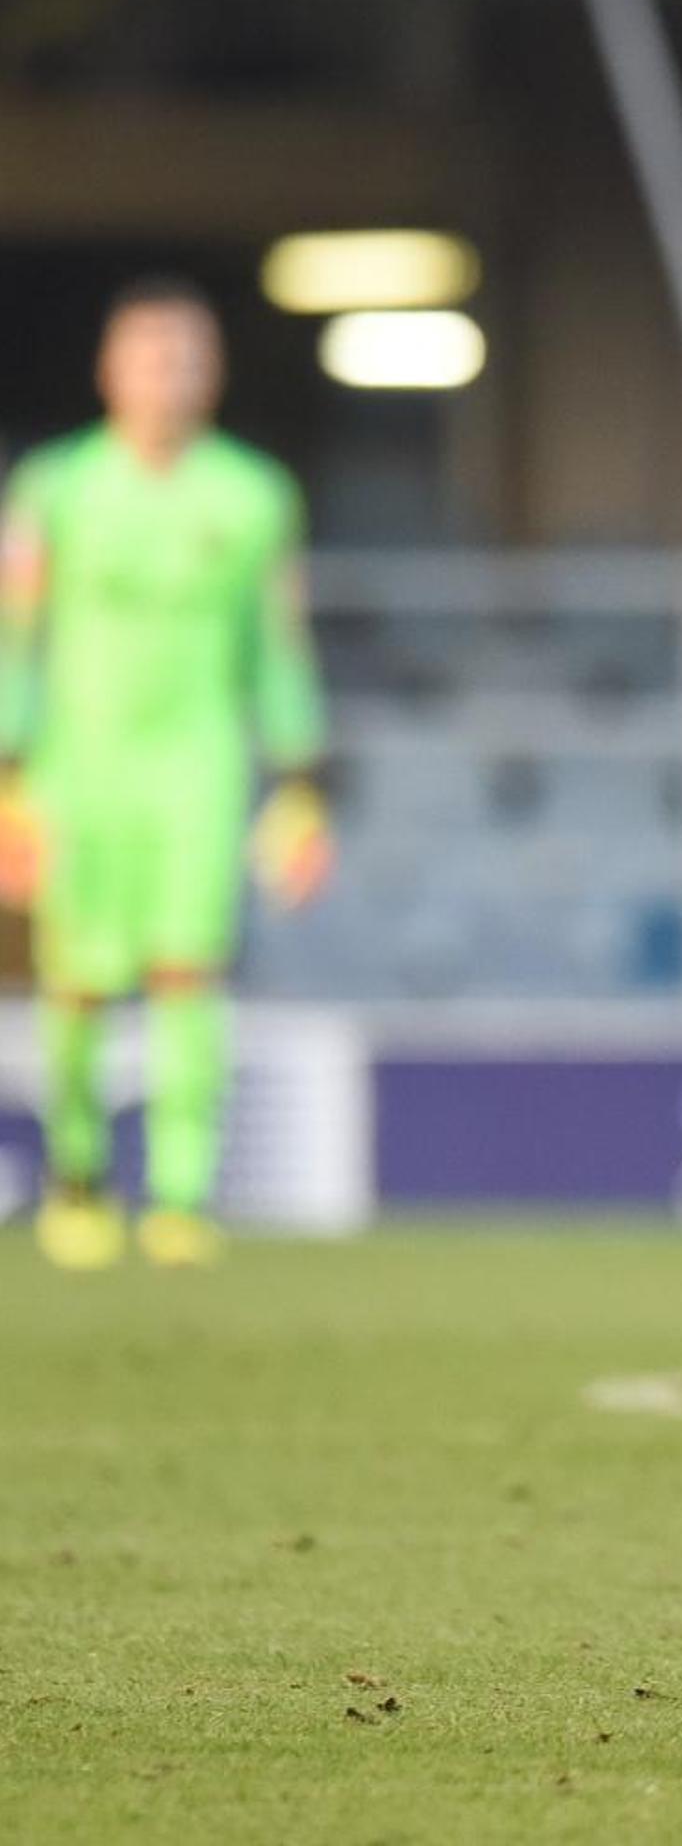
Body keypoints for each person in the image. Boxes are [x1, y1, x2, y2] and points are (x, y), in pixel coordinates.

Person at [0, 276, 332, 1271]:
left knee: (190, 972)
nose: (165, 375)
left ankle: (181, 1195)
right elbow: (18, 638)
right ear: (111, 369)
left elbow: (279, 647)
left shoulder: (255, 495)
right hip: (77, 765)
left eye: (184, 356)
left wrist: (303, 779)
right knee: (78, 983)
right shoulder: (53, 489)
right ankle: (79, 1181)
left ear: (212, 374)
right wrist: (10, 774)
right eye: (148, 354)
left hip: (200, 765)